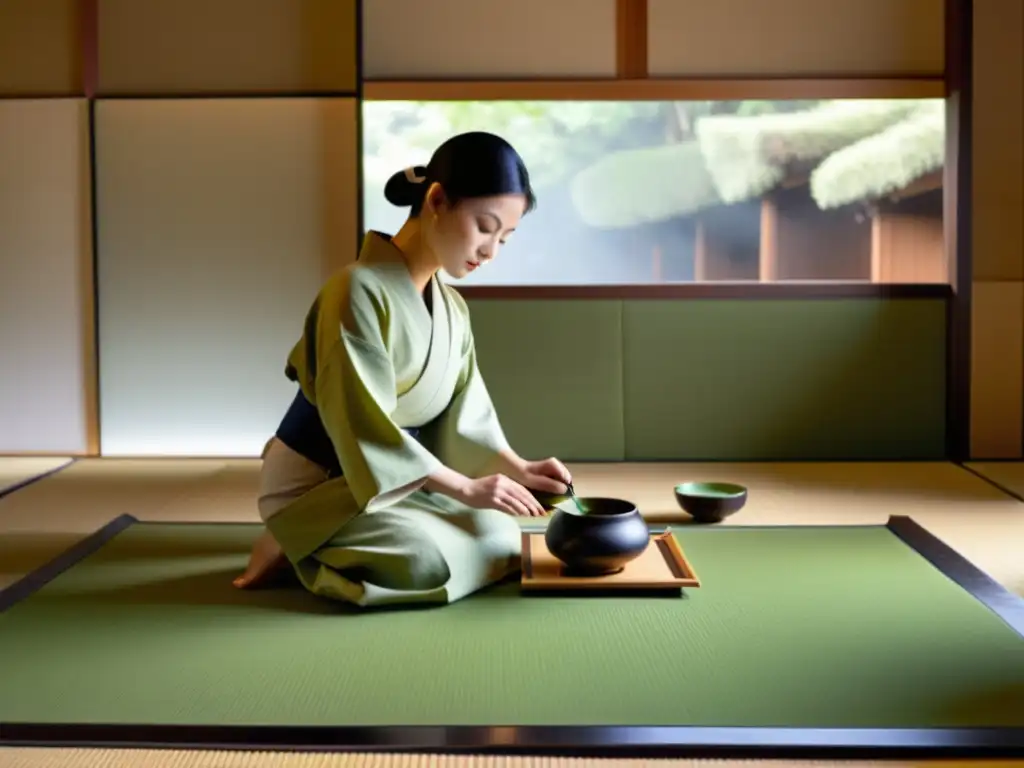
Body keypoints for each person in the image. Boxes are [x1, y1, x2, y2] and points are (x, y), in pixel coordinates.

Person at [233, 131, 573, 608]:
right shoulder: (354, 290)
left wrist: (519, 468)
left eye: (504, 237)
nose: (491, 251)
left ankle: (328, 541)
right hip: (321, 485)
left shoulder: (452, 308)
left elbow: (464, 416)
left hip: (387, 483)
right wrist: (466, 487)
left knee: (497, 531)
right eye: (484, 226)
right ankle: (290, 537)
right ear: (436, 200)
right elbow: (362, 425)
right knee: (426, 559)